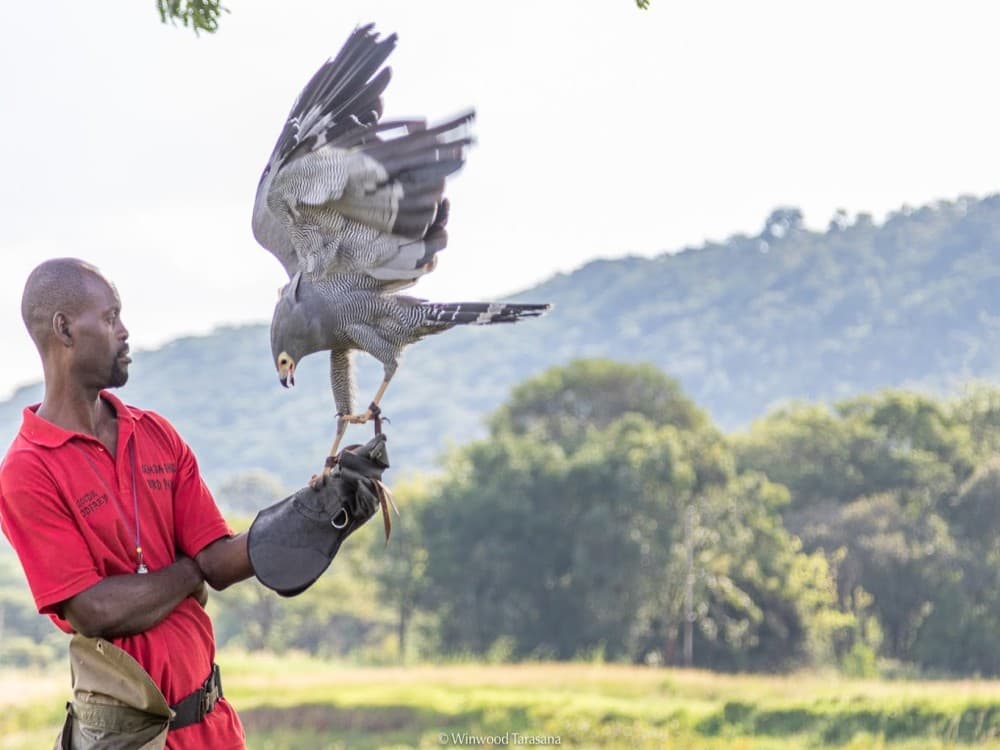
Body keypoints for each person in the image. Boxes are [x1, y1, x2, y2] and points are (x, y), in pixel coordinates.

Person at [0, 258, 388, 749]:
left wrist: (314, 510)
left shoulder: (156, 434)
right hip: (127, 739)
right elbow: (94, 609)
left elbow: (218, 562)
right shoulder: (27, 470)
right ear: (64, 329)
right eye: (110, 317)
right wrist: (189, 572)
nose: (124, 331)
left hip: (213, 726)